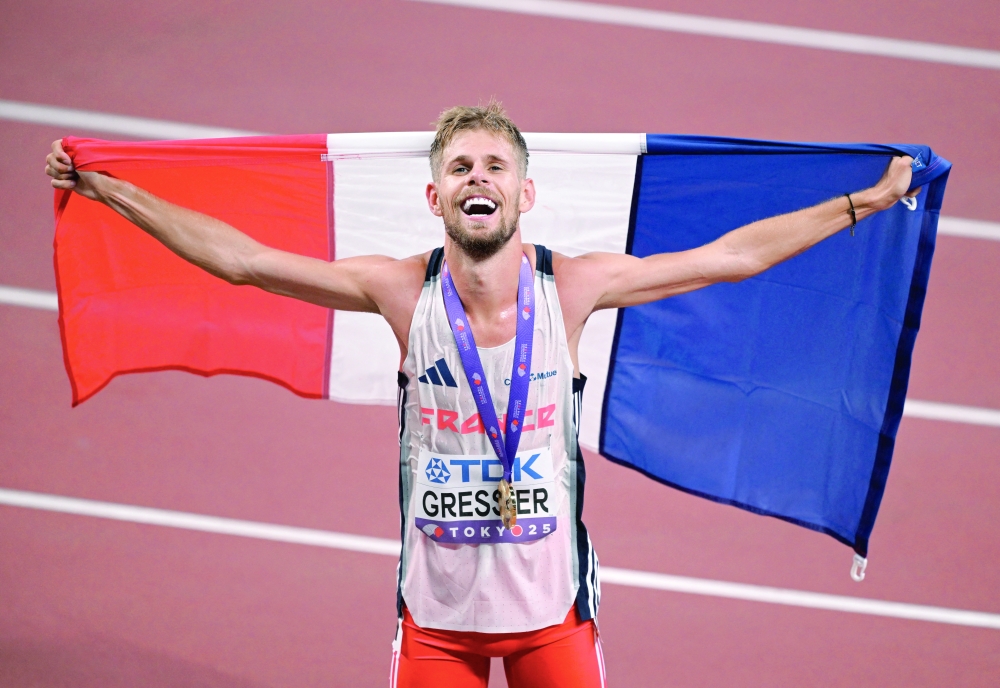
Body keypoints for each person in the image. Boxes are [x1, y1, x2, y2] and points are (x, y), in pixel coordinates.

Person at [46, 101, 917, 687]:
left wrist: (865, 202)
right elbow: (243, 261)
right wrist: (110, 189)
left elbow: (733, 256)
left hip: (553, 617)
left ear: (524, 193)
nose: (478, 177)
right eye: (461, 165)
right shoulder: (398, 291)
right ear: (434, 196)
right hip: (436, 623)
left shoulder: (571, 288)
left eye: (495, 165)